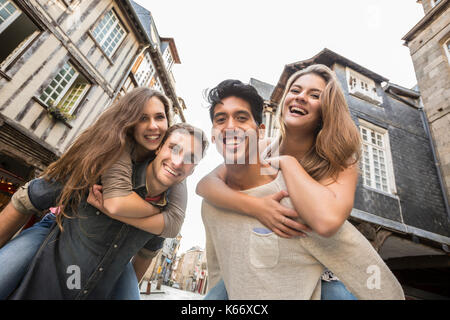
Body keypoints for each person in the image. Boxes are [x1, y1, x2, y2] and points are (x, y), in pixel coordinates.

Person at [197, 75, 404, 299]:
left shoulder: (300, 198)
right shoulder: (214, 202)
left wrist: (288, 164)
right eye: (220, 119)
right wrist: (255, 206)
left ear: (260, 130)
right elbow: (219, 266)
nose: (230, 127)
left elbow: (355, 256)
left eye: (241, 118)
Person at [0, 88, 204, 299]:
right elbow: (31, 196)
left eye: (159, 117)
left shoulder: (173, 176)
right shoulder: (107, 154)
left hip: (115, 260)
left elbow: (164, 233)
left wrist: (149, 210)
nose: (153, 126)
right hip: (57, 230)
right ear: (130, 122)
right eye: (142, 118)